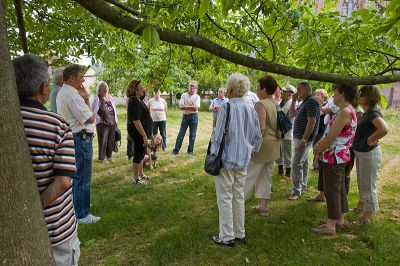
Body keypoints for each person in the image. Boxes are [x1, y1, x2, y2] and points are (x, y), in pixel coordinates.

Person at [13, 54, 80, 265]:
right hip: (55, 232)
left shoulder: (8, 121)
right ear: (44, 88)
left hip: (12, 229)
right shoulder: (56, 125)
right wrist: (34, 211)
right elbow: (63, 181)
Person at [211, 73, 262, 247]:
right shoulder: (250, 108)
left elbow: (217, 136)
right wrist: (253, 150)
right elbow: (258, 136)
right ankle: (239, 232)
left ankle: (226, 236)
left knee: (225, 197)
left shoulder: (226, 107)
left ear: (231, 89)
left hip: (226, 159)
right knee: (238, 195)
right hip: (243, 159)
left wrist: (213, 153)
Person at [311, 83, 358, 234]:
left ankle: (330, 226)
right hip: (339, 156)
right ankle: (340, 220)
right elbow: (329, 133)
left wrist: (318, 150)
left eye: (335, 92)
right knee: (340, 188)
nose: (333, 96)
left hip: (334, 157)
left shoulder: (345, 111)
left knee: (332, 190)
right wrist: (319, 144)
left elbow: (330, 138)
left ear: (342, 93)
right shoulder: (346, 110)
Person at [57, 64, 100, 224]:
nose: (83, 80)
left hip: (75, 137)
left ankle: (80, 205)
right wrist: (85, 99)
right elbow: (90, 118)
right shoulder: (72, 95)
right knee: (82, 177)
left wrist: (86, 98)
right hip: (80, 138)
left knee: (78, 176)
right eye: (81, 77)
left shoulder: (65, 92)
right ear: (72, 77)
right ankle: (82, 214)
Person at [244, 75, 280, 217]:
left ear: (264, 89)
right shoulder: (275, 103)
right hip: (273, 146)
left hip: (262, 146)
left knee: (248, 175)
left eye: (258, 87)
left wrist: (253, 147)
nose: (257, 89)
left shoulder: (261, 104)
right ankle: (263, 207)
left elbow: (261, 128)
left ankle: (238, 203)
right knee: (266, 176)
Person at [352, 85, 388, 224]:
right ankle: (361, 207)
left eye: (361, 94)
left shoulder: (373, 113)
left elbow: (383, 129)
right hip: (362, 153)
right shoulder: (367, 112)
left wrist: (370, 139)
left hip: (369, 154)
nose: (358, 96)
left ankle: (366, 218)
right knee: (362, 182)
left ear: (368, 97)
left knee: (368, 184)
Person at [288, 81, 320, 200]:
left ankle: (296, 191)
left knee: (296, 164)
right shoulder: (304, 102)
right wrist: (293, 99)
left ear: (307, 90)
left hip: (304, 138)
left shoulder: (311, 101)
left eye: (299, 89)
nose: (297, 91)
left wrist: (304, 139)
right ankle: (303, 185)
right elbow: (292, 114)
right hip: (299, 137)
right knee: (304, 162)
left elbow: (312, 122)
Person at [126, 80, 153, 184]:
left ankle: (141, 174)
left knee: (142, 152)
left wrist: (152, 85)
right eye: (141, 88)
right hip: (138, 132)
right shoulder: (134, 101)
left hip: (142, 131)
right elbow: (136, 121)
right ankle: (136, 178)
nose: (143, 89)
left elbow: (145, 90)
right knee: (138, 153)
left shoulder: (139, 99)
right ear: (135, 90)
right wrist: (144, 136)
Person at [91, 81, 118, 164]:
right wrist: (97, 120)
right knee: (103, 141)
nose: (105, 87)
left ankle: (109, 156)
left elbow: (114, 110)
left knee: (111, 140)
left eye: (106, 86)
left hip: (112, 122)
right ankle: (102, 158)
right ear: (99, 89)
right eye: (103, 86)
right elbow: (93, 111)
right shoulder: (97, 99)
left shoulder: (110, 97)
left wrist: (116, 121)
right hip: (102, 123)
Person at [171, 80, 201, 155]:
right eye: (190, 85)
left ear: (195, 88)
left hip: (194, 117)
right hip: (185, 117)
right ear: (188, 86)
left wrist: (186, 106)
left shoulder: (197, 97)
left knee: (192, 135)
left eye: (193, 86)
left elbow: (196, 108)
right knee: (181, 134)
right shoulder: (184, 95)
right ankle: (176, 150)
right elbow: (181, 107)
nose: (192, 87)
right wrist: (191, 105)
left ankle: (190, 151)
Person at [276, 84, 296, 180]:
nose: (281, 93)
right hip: (279, 131)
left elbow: (288, 119)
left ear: (289, 94)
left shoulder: (292, 104)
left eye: (283, 91)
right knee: (278, 152)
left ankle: (288, 174)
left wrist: (281, 130)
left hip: (287, 132)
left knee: (287, 154)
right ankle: (280, 171)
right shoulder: (281, 102)